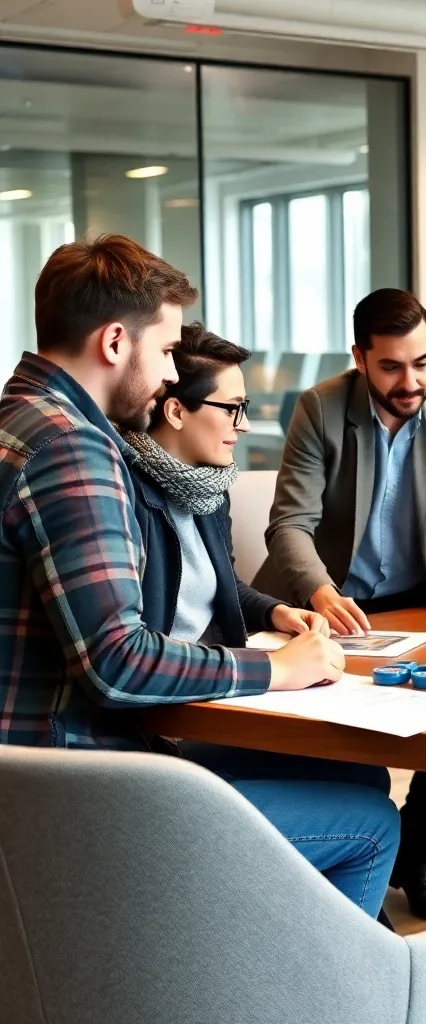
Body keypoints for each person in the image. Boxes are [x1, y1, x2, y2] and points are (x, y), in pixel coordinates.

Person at [0, 235, 398, 917]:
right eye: (163, 351)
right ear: (116, 342)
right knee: (371, 824)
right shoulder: (75, 447)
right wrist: (276, 670)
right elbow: (118, 663)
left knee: (353, 781)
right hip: (78, 796)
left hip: (38, 785)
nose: (165, 378)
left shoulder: (19, 420)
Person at [253, 287, 426, 922]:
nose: (411, 380)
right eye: (392, 366)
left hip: (419, 600)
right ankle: (350, 870)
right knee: (341, 734)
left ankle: (410, 853)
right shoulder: (320, 407)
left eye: (422, 362)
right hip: (330, 605)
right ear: (360, 358)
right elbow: (289, 524)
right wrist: (321, 592)